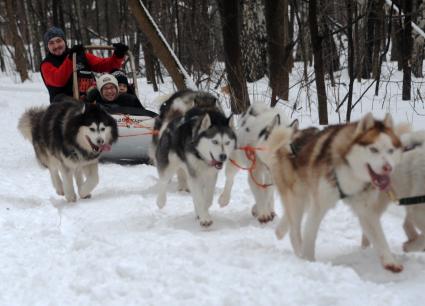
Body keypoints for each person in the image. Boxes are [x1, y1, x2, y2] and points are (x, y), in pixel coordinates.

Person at [40, 26, 129, 103]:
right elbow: (59, 80)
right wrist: (70, 59)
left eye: (58, 41)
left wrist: (118, 55)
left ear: (64, 41)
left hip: (90, 101)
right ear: (47, 47)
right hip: (64, 108)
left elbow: (105, 65)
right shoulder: (46, 64)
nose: (56, 46)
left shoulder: (79, 55)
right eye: (51, 43)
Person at [86, 74, 157, 117]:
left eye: (112, 87)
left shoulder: (130, 100)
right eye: (105, 88)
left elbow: (145, 117)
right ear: (100, 91)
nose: (109, 91)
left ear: (117, 89)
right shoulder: (95, 104)